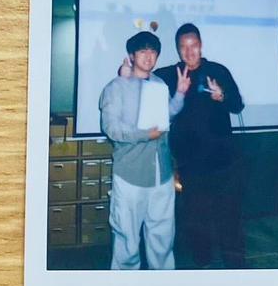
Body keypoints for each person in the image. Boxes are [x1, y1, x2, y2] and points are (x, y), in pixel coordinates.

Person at [156, 23, 246, 268]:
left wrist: (222, 96)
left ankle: (235, 265)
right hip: (190, 163)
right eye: (183, 47)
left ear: (201, 45)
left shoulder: (218, 71)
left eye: (193, 45)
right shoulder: (169, 75)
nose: (189, 52)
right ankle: (202, 264)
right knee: (196, 218)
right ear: (178, 49)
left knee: (229, 216)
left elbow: (237, 105)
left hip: (224, 160)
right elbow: (144, 78)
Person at [99, 31, 189, 270]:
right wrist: (144, 134)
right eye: (143, 51)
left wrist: (180, 93)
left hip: (162, 173)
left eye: (153, 52)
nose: (149, 57)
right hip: (130, 174)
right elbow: (111, 128)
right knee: (127, 240)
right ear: (132, 55)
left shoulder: (159, 84)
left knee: (162, 237)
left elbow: (166, 115)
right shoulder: (116, 87)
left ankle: (161, 284)